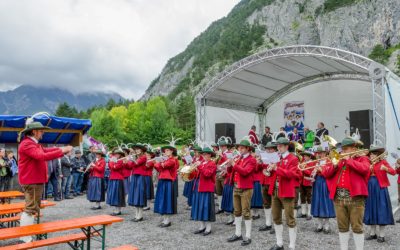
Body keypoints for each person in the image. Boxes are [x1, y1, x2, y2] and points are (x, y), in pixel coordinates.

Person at [18, 120, 72, 242]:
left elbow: (46, 152)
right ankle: (25, 238)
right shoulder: (27, 144)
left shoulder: (33, 143)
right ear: (34, 131)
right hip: (32, 181)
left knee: (32, 209)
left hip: (34, 181)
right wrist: (62, 150)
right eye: (41, 131)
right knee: (30, 209)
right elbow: (42, 156)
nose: (43, 133)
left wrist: (61, 149)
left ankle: (26, 236)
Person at [324, 137, 370, 250]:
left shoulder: (362, 158)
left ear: (353, 148)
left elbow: (365, 169)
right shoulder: (339, 160)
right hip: (338, 198)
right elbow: (326, 174)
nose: (343, 151)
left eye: (346, 149)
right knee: (342, 227)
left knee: (357, 227)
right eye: (342, 149)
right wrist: (334, 165)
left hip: (356, 199)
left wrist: (349, 160)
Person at [267, 137, 301, 250]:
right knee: (276, 218)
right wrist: (270, 169)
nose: (278, 148)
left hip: (286, 191)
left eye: (280, 146)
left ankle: (292, 245)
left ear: (286, 146)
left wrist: (276, 168)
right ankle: (279, 243)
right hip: (275, 190)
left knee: (290, 219)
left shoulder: (293, 158)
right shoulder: (277, 157)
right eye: (278, 146)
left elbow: (290, 174)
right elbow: (274, 173)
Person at [227, 137, 256, 246]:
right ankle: (238, 233)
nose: (240, 149)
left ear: (248, 149)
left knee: (246, 212)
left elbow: (245, 172)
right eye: (239, 147)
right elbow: (231, 171)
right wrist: (229, 166)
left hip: (246, 189)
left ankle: (248, 236)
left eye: (242, 147)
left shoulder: (252, 160)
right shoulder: (238, 158)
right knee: (237, 211)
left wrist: (234, 164)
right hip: (236, 187)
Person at [364, 145, 395, 243]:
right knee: (371, 209)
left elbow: (393, 172)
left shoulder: (383, 162)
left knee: (381, 209)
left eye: (373, 154)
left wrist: (385, 168)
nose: (372, 156)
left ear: (378, 154)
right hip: (370, 188)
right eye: (371, 154)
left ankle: (382, 235)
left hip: (380, 188)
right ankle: (373, 233)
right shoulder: (368, 163)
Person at [191, 147, 217, 236]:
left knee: (206, 207)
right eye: (203, 154)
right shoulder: (201, 163)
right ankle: (202, 226)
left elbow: (207, 174)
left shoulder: (212, 163)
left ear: (210, 155)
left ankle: (208, 228)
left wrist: (199, 166)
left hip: (206, 188)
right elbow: (196, 175)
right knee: (199, 207)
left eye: (206, 154)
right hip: (198, 187)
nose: (204, 155)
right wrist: (193, 169)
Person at [311, 146, 336, 233]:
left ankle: (327, 225)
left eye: (321, 153)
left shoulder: (329, 161)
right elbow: (313, 173)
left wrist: (320, 169)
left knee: (325, 203)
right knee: (317, 202)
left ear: (325, 153)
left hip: (325, 183)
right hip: (317, 182)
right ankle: (319, 224)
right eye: (319, 153)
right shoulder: (317, 162)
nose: (320, 154)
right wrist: (313, 173)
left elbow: (329, 174)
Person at [154, 145, 178, 227]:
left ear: (171, 151)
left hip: (168, 181)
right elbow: (157, 167)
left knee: (167, 200)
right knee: (162, 199)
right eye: (165, 151)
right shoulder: (165, 160)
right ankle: (164, 220)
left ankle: (167, 221)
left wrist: (160, 163)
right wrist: (160, 163)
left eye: (168, 150)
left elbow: (163, 165)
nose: (165, 152)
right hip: (162, 180)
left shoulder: (172, 160)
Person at [259, 142, 277, 234]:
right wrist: (259, 162)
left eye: (271, 149)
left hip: (272, 183)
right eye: (267, 149)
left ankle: (275, 225)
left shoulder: (277, 158)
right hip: (264, 181)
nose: (269, 150)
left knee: (274, 204)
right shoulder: (264, 157)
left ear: (274, 149)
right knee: (266, 203)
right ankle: (268, 223)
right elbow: (258, 168)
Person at [127, 143, 148, 222]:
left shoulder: (143, 157)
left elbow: (137, 163)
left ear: (142, 150)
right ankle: (136, 215)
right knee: (135, 195)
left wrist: (132, 158)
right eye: (136, 150)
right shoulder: (136, 157)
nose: (136, 151)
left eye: (138, 149)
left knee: (140, 195)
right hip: (135, 177)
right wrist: (127, 161)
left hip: (140, 177)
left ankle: (140, 215)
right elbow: (129, 166)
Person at [107, 148, 126, 216]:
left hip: (118, 178)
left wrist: (111, 162)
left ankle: (118, 210)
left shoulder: (121, 161)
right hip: (113, 178)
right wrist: (112, 163)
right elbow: (110, 167)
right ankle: (116, 209)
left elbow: (115, 167)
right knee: (114, 194)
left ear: (120, 155)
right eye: (115, 154)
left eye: (118, 154)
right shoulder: (115, 160)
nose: (116, 155)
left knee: (118, 194)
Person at [182, 145, 203, 210]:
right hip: (192, 175)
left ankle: (195, 204)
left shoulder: (201, 159)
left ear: (199, 152)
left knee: (196, 191)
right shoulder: (193, 158)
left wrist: (195, 166)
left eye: (196, 151)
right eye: (194, 151)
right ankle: (190, 203)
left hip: (198, 177)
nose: (195, 153)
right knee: (190, 190)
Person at [297, 150, 314, 220]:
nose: (304, 157)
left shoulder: (313, 163)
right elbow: (299, 170)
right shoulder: (302, 162)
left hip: (308, 182)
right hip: (302, 182)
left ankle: (310, 213)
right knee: (302, 197)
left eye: (306, 156)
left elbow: (311, 173)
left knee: (309, 198)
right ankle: (303, 213)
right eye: (304, 156)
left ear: (310, 157)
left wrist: (303, 169)